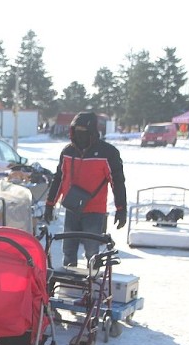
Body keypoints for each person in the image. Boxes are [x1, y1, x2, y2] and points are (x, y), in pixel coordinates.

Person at [44, 111, 127, 267]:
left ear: (92, 132)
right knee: (68, 250)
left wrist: (121, 208)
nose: (79, 135)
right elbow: (59, 179)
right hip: (72, 207)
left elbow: (118, 182)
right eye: (76, 131)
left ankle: (92, 285)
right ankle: (69, 286)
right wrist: (50, 204)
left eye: (83, 132)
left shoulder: (108, 153)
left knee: (92, 253)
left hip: (95, 211)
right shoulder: (68, 152)